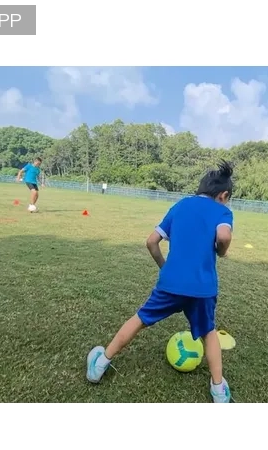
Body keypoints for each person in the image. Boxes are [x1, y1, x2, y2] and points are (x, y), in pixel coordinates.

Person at [86, 160, 235, 403]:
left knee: (140, 319)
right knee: (209, 332)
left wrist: (165, 268)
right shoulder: (222, 211)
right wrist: (221, 250)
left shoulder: (180, 206)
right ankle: (218, 389)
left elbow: (151, 241)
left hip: (170, 284)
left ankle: (100, 364)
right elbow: (224, 236)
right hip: (202, 289)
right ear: (224, 195)